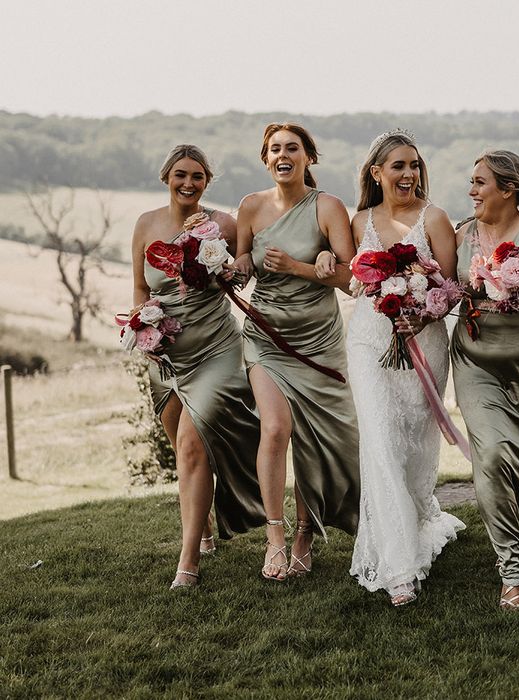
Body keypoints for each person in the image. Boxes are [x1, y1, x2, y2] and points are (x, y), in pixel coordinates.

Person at [333, 129, 465, 606]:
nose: (409, 174)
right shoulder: (359, 219)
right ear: (376, 173)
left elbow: (450, 289)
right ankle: (398, 567)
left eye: (414, 165)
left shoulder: (436, 218)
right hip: (370, 342)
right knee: (382, 441)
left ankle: (417, 518)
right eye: (398, 166)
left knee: (414, 446)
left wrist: (421, 311)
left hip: (425, 343)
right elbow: (353, 283)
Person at [130, 144, 264, 590]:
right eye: (180, 175)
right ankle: (201, 522)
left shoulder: (223, 225)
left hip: (216, 349)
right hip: (167, 354)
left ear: (208, 181)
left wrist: (229, 268)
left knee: (192, 444)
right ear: (166, 176)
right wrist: (143, 328)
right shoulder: (146, 225)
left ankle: (187, 562)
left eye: (198, 177)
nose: (188, 184)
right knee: (181, 447)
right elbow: (138, 289)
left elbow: (243, 272)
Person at [232, 123, 359, 582]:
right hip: (265, 337)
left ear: (309, 157)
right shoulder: (250, 206)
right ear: (266, 159)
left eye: (293, 148)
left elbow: (350, 278)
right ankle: (275, 539)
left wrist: (302, 266)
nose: (283, 155)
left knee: (313, 439)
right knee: (276, 428)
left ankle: (307, 531)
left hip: (319, 342)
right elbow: (243, 266)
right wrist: (240, 264)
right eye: (275, 149)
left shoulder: (327, 207)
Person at [451, 150, 519, 611]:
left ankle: (518, 521)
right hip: (475, 358)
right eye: (471, 182)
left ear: (508, 189)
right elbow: (439, 287)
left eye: (480, 183)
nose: (471, 191)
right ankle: (511, 568)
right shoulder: (461, 235)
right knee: (490, 456)